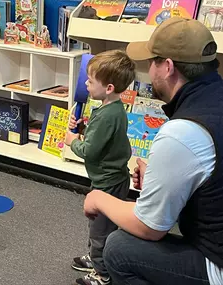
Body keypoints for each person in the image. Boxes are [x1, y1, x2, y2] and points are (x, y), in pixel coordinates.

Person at [83, 17, 223, 285]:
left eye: (152, 62)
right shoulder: (213, 100)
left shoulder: (184, 132)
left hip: (217, 264)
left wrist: (99, 198)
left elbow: (149, 227)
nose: (148, 69)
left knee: (119, 248)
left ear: (167, 67)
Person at [65, 49, 135, 285]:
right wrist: (85, 127)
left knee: (99, 230)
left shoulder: (106, 115)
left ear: (109, 88)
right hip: (114, 177)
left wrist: (73, 141)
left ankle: (102, 273)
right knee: (100, 225)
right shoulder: (114, 108)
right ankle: (97, 258)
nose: (86, 83)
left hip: (107, 182)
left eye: (90, 80)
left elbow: (90, 151)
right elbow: (104, 139)